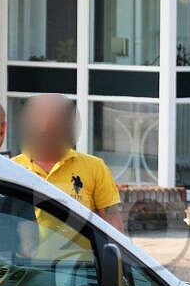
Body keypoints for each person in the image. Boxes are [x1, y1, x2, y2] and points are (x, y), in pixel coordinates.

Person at [13, 93, 123, 232]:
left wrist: (114, 252)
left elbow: (113, 224)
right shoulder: (13, 168)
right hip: (26, 254)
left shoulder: (94, 167)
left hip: (81, 254)